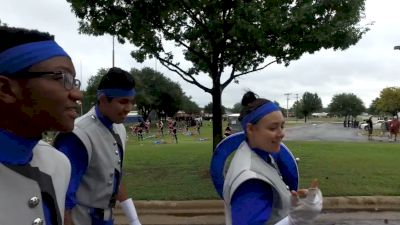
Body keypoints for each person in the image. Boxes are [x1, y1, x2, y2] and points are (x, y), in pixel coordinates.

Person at [0, 26, 83, 225]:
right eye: (61, 78)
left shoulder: (57, 163)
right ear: (6, 89)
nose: (77, 95)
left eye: (74, 82)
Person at [210, 91, 322, 225]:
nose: (281, 134)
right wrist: (297, 219)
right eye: (273, 128)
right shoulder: (252, 184)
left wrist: (286, 201)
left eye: (282, 126)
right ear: (250, 129)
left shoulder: (254, 151)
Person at [53, 67, 141, 225]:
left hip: (106, 219)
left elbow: (113, 178)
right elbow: (62, 199)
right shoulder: (77, 135)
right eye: (122, 101)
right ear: (102, 99)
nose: (128, 108)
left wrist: (134, 219)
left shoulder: (119, 128)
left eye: (131, 102)